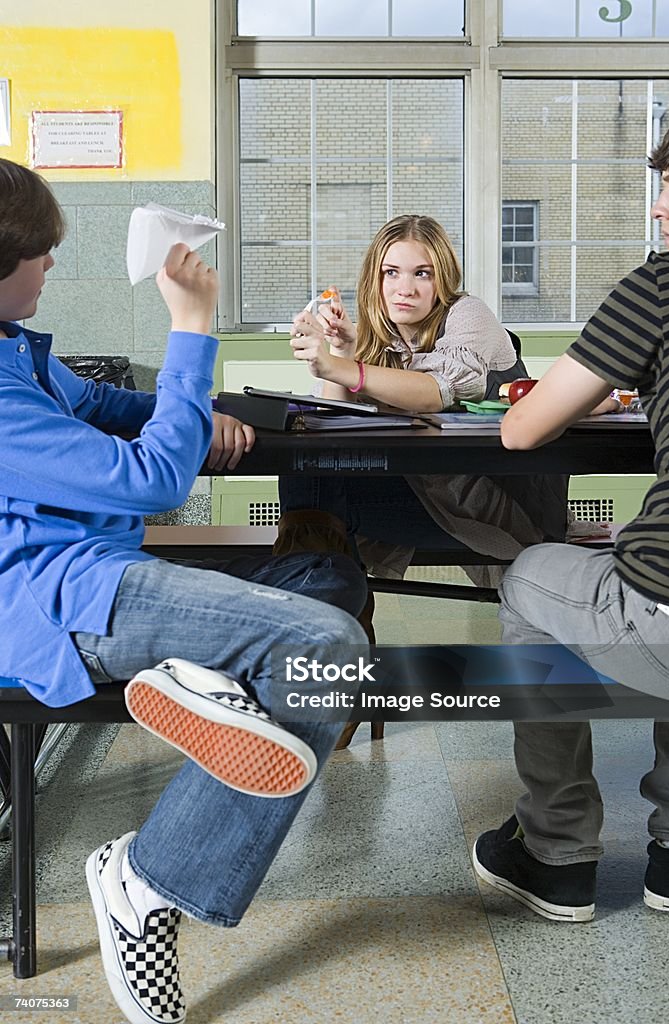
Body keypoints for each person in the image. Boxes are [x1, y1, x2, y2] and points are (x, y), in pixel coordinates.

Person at [0, 157, 368, 1024]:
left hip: (110, 574)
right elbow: (156, 482)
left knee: (329, 572)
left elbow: (110, 407)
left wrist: (193, 410)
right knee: (328, 650)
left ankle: (202, 680)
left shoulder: (18, 354)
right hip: (61, 601)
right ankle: (147, 879)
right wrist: (192, 326)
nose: (53, 263)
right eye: (40, 251)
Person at [276, 215, 603, 744]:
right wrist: (337, 356)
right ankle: (335, 665)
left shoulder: (470, 317)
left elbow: (437, 389)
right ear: (373, 281)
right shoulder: (383, 335)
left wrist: (344, 369)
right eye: (391, 273)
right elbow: (329, 424)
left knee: (313, 487)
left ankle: (332, 674)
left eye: (422, 273)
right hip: (426, 495)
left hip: (490, 506)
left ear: (443, 278)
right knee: (310, 471)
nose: (405, 288)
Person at [471, 113, 669, 924]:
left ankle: (555, 852)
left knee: (531, 574)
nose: (660, 209)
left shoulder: (660, 284)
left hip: (668, 622)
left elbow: (520, 428)